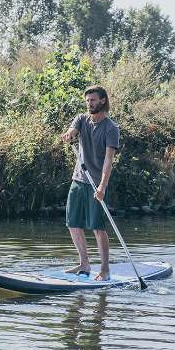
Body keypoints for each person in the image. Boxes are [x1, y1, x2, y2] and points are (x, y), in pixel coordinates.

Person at [60, 85, 120, 281]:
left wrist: (102, 186)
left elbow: (108, 160)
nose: (89, 104)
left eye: (93, 100)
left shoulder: (111, 128)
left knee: (97, 227)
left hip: (96, 183)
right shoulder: (81, 119)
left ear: (102, 101)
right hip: (78, 179)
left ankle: (104, 270)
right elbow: (72, 130)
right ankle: (84, 263)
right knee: (72, 223)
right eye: (87, 101)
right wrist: (69, 134)